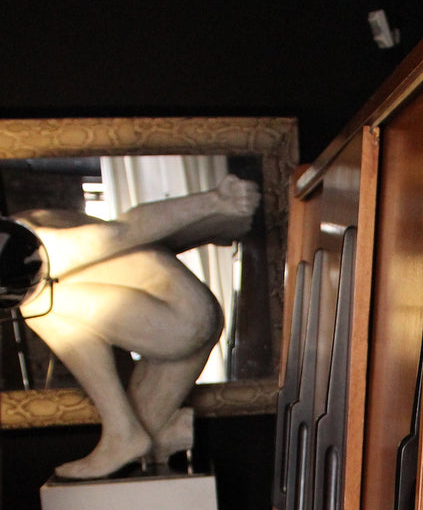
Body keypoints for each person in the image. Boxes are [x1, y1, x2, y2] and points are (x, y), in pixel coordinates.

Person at [19, 173, 259, 479]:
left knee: (39, 306)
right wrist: (214, 222)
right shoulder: (40, 226)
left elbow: (127, 229)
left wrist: (214, 201)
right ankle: (165, 436)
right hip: (194, 323)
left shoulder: (44, 248)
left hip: (181, 323)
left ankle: (120, 426)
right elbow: (150, 240)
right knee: (145, 432)